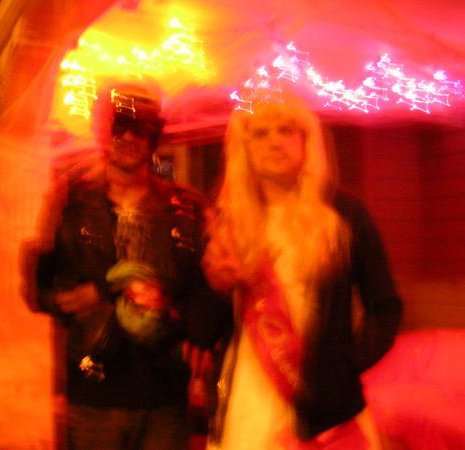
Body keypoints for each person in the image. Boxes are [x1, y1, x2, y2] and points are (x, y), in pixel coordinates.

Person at [21, 82, 231, 450]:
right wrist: (86, 292)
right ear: (103, 131)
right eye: (119, 126)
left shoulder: (186, 208)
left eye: (141, 128)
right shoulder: (70, 202)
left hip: (165, 397)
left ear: (155, 135)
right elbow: (41, 293)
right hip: (92, 396)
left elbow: (210, 292)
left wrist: (198, 329)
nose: (130, 137)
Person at [201, 91, 402, 450]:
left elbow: (385, 309)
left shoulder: (346, 215)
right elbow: (203, 329)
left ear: (306, 140)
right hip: (248, 402)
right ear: (244, 148)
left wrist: (343, 367)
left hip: (327, 409)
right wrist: (217, 287)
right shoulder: (226, 223)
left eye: (286, 130)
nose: (274, 141)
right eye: (260, 133)